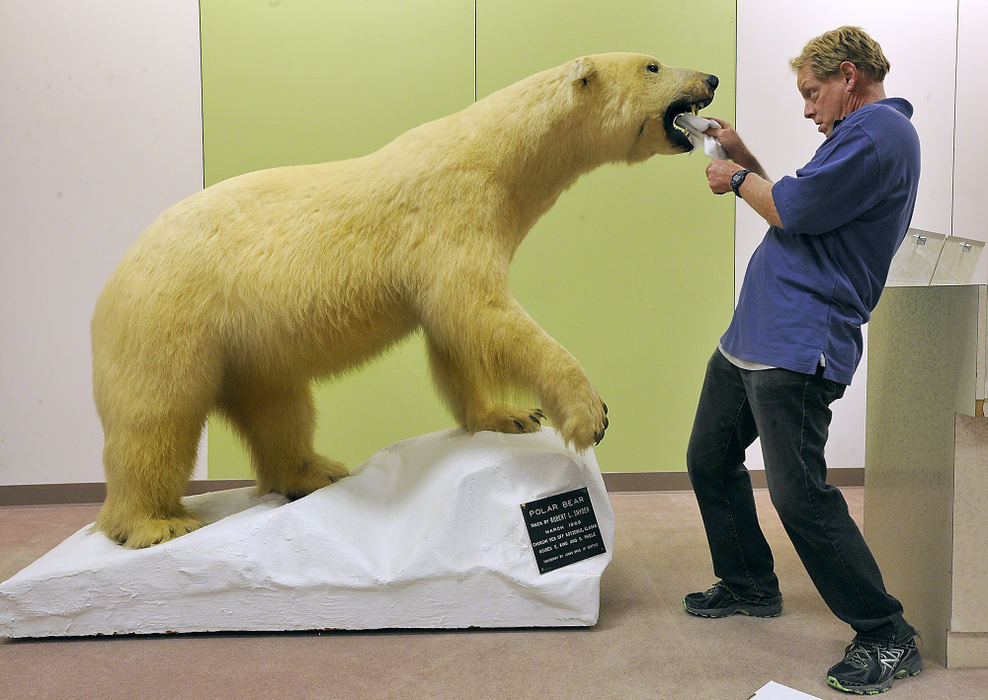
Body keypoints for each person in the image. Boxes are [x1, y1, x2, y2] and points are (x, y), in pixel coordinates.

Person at [683, 26, 923, 695]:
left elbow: (786, 205)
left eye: (813, 93)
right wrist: (740, 155)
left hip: (799, 341)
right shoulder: (856, 135)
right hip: (755, 335)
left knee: (799, 495)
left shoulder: (878, 134)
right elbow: (793, 207)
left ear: (849, 75)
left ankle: (885, 632)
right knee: (709, 456)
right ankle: (749, 582)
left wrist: (734, 177)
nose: (809, 108)